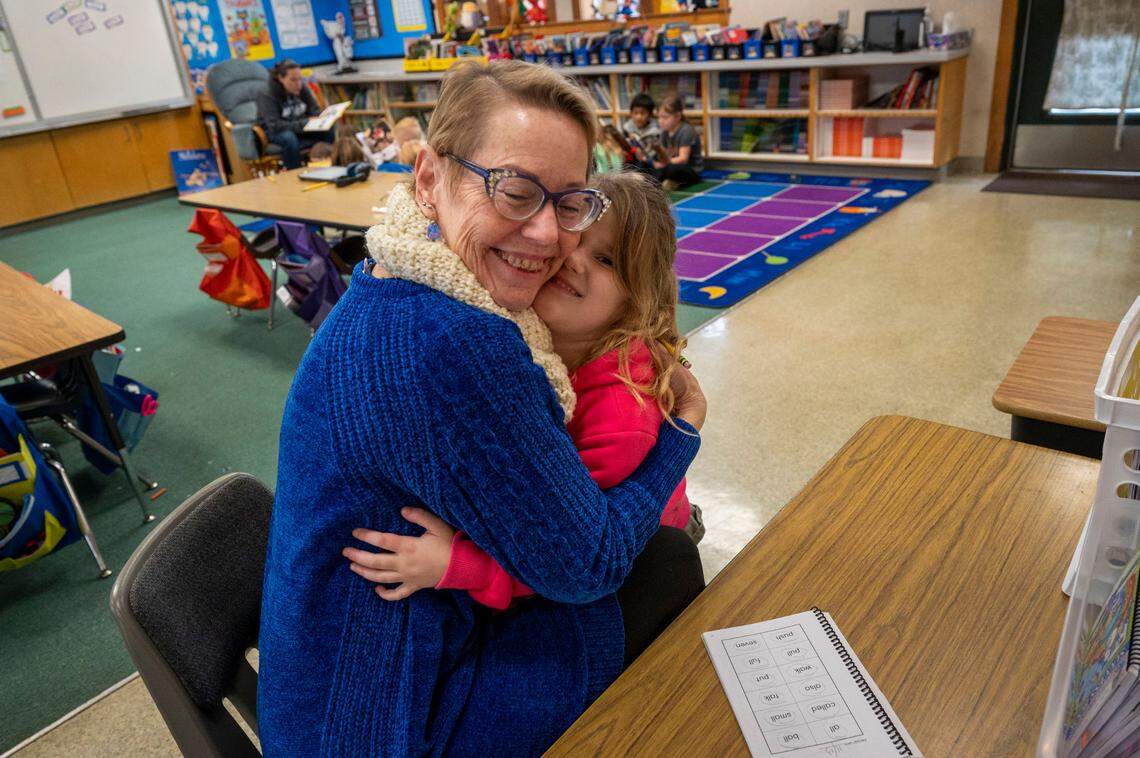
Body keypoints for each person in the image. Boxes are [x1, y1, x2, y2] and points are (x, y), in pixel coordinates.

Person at [258, 60, 707, 756]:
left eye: (567, 204)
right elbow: (588, 565)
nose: (549, 239)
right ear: (430, 177)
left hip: (328, 692)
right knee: (663, 570)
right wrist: (679, 438)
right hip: (387, 721)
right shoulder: (462, 342)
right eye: (516, 191)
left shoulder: (394, 273)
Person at [346, 170, 705, 627]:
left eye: (608, 261)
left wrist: (459, 566)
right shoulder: (533, 336)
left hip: (648, 553)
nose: (575, 262)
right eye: (573, 241)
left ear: (636, 302)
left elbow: (571, 549)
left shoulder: (621, 413)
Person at [256, 59, 333, 170]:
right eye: (293, 80)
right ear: (280, 78)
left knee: (328, 129)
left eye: (300, 79)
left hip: (300, 126)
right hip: (275, 131)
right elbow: (275, 125)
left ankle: (328, 165)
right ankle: (294, 173)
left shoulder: (301, 87)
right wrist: (305, 123)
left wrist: (324, 118)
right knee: (289, 138)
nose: (298, 84)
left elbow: (314, 110)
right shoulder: (267, 94)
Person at [653, 95, 704, 190]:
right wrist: (657, 162)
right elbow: (664, 154)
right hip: (670, 164)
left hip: (690, 169)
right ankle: (668, 182)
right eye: (659, 117)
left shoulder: (686, 130)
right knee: (649, 166)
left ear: (678, 116)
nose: (661, 121)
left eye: (665, 117)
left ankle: (673, 182)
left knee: (672, 169)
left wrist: (664, 164)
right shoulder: (664, 132)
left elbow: (683, 159)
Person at [622, 92, 660, 168]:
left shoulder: (655, 131)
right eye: (635, 113)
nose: (638, 117)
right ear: (631, 113)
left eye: (643, 113)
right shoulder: (627, 127)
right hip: (630, 160)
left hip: (648, 162)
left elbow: (654, 153)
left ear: (650, 115)